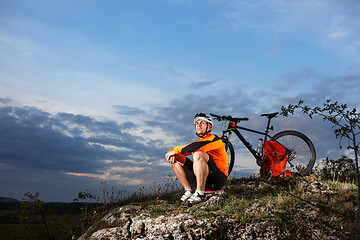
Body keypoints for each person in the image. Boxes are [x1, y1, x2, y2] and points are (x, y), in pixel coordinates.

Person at [165, 113, 228, 204]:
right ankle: (189, 191)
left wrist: (176, 150)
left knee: (198, 154)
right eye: (197, 123)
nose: (198, 125)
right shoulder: (197, 142)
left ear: (209, 127)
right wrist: (171, 152)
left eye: (202, 123)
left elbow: (196, 147)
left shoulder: (215, 139)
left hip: (217, 179)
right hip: (203, 178)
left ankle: (200, 194)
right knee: (175, 157)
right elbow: (187, 148)